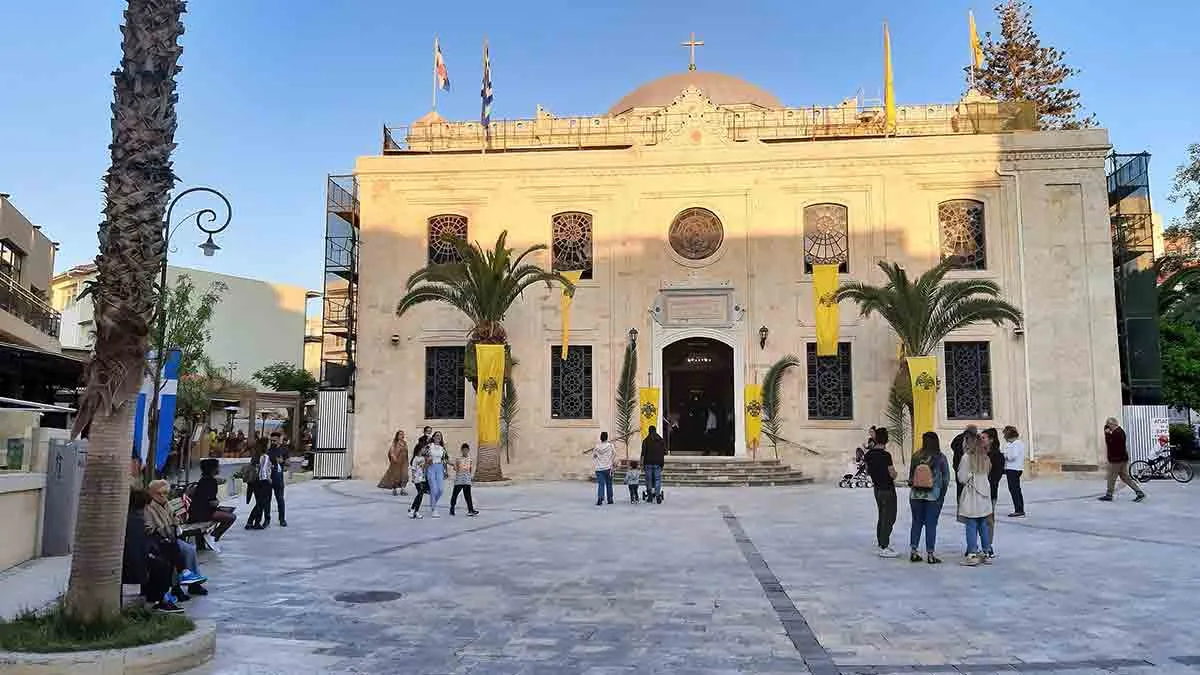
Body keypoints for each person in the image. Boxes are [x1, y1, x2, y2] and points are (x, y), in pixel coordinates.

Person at [145, 480, 208, 598]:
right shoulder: (148, 507)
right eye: (159, 493)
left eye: (166, 493)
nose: (163, 495)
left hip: (171, 537)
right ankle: (177, 586)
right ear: (151, 493)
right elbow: (149, 529)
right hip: (157, 540)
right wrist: (168, 529)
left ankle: (193, 583)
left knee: (189, 549)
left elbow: (176, 521)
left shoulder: (166, 504)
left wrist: (171, 529)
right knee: (174, 551)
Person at [124, 489, 182, 613]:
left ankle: (164, 597)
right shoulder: (136, 519)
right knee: (163, 565)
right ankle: (158, 600)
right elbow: (138, 545)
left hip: (140, 555)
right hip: (135, 561)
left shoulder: (134, 517)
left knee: (169, 554)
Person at [908, 431, 950, 564]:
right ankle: (930, 554)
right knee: (931, 524)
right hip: (933, 495)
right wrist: (942, 494)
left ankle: (913, 552)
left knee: (916, 522)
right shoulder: (940, 458)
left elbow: (910, 478)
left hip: (915, 495)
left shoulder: (916, 456)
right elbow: (946, 478)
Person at [956, 430, 994, 566]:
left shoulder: (967, 458)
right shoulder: (986, 458)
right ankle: (987, 552)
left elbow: (962, 477)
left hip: (972, 494)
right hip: (984, 494)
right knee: (983, 524)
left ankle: (972, 553)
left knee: (971, 524)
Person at [863, 427, 898, 558]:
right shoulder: (886, 455)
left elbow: (867, 471)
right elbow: (892, 474)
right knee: (889, 516)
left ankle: (880, 541)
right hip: (888, 488)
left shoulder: (869, 455)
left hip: (877, 488)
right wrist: (895, 474)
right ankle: (884, 544)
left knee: (882, 515)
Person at [1100, 417, 1146, 502]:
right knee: (1125, 477)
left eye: (1108, 425)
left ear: (1112, 424)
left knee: (1111, 477)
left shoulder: (1116, 434)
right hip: (1122, 459)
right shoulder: (1120, 431)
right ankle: (1139, 492)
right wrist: (1108, 432)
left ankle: (1109, 495)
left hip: (1116, 460)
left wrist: (1107, 434)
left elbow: (1110, 444)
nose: (1108, 427)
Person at [189, 458, 236, 541]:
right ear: (212, 469)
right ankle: (214, 537)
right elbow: (211, 502)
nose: (219, 469)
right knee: (231, 517)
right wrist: (217, 503)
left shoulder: (204, 480)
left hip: (198, 511)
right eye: (218, 467)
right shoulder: (211, 482)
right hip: (202, 513)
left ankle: (213, 536)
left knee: (227, 512)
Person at [982, 428, 1004, 558]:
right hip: (976, 493)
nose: (981, 440)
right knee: (975, 521)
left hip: (990, 493)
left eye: (983, 438)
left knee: (988, 521)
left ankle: (988, 546)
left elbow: (996, 477)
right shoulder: (976, 454)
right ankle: (973, 546)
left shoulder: (997, 456)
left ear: (991, 440)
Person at [1001, 426, 1027, 517]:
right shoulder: (1016, 444)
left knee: (1014, 490)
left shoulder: (1016, 444)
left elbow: (1013, 456)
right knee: (1015, 489)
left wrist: (1005, 454)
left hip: (1013, 469)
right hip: (1014, 469)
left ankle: (1019, 510)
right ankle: (1019, 509)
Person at [246, 446, 273, 529]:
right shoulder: (265, 457)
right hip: (263, 482)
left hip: (254, 483)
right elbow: (264, 471)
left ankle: (255, 522)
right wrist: (268, 479)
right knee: (261, 503)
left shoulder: (255, 457)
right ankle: (252, 521)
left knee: (260, 503)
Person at [951, 424, 978, 504]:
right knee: (970, 485)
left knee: (960, 486)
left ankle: (960, 504)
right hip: (968, 464)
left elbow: (952, 446)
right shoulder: (975, 438)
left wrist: (957, 453)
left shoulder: (959, 437)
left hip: (959, 464)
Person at [449, 442, 479, 516]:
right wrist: (455, 467)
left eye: (466, 450)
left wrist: (470, 477)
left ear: (468, 450)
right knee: (455, 495)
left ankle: (470, 510)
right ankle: (452, 508)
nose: (465, 451)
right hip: (459, 480)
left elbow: (470, 469)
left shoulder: (470, 459)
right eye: (463, 450)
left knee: (468, 496)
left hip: (467, 480)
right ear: (461, 450)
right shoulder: (458, 459)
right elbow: (455, 468)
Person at [378, 429, 410, 496]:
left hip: (404, 462)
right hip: (396, 462)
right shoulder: (395, 443)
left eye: (403, 434)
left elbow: (406, 452)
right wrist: (394, 458)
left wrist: (407, 461)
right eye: (400, 434)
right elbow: (391, 452)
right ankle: (394, 489)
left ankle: (403, 490)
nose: (402, 435)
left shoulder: (404, 443)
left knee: (404, 475)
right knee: (396, 476)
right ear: (397, 435)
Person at [424, 431, 448, 517]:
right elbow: (423, 455)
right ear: (433, 437)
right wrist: (427, 460)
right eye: (437, 435)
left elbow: (445, 460)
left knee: (440, 490)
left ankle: (433, 503)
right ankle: (434, 509)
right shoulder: (429, 446)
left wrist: (446, 471)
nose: (438, 437)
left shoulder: (443, 448)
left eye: (440, 436)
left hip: (440, 468)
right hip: (431, 467)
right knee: (433, 489)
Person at [641, 425, 667, 504]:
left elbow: (643, 454)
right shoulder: (661, 440)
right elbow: (664, 452)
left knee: (649, 480)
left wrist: (642, 464)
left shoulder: (646, 440)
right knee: (657, 480)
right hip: (658, 463)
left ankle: (649, 496)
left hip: (648, 463)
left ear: (649, 431)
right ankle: (658, 495)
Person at [267, 433, 288, 527]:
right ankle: (267, 520)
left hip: (278, 478)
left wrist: (282, 461)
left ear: (279, 440)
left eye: (274, 440)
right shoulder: (268, 450)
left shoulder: (284, 450)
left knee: (280, 499)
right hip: (268, 478)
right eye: (271, 440)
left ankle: (282, 519)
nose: (272, 442)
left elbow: (288, 463)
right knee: (267, 500)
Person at [591, 431, 616, 506]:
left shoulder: (596, 447)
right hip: (608, 467)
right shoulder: (610, 446)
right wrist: (610, 460)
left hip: (599, 468)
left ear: (600, 438)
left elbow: (594, 456)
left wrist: (598, 456)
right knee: (609, 484)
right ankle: (610, 499)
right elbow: (614, 454)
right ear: (607, 437)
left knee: (601, 484)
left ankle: (600, 498)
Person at [408, 448, 428, 519]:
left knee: (420, 494)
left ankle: (413, 509)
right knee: (420, 493)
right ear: (419, 449)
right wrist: (413, 477)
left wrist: (427, 463)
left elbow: (424, 467)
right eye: (423, 449)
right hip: (417, 478)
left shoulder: (423, 458)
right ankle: (415, 511)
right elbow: (413, 469)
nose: (424, 450)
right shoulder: (415, 459)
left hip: (422, 478)